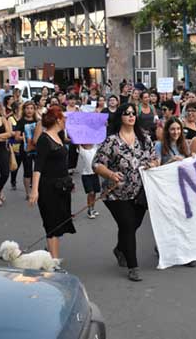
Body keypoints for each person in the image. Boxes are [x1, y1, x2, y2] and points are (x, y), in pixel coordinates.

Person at [93, 104, 159, 281]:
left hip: (140, 192)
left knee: (133, 225)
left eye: (133, 113)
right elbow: (97, 164)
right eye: (127, 113)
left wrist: (153, 164)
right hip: (116, 193)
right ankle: (133, 266)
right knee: (128, 225)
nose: (131, 116)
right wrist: (111, 174)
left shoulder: (144, 138)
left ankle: (120, 248)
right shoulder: (111, 141)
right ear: (120, 117)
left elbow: (155, 158)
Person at [28, 105, 75, 262]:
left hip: (62, 186)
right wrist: (34, 190)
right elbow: (38, 167)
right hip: (48, 187)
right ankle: (54, 262)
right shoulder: (44, 139)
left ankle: (50, 253)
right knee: (52, 224)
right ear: (58, 120)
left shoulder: (59, 136)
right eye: (64, 118)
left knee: (60, 222)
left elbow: (61, 163)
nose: (66, 120)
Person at [15, 101, 39, 200]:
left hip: (37, 149)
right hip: (26, 149)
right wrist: (24, 138)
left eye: (31, 108)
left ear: (34, 110)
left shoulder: (38, 121)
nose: (29, 110)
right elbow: (16, 137)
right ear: (24, 110)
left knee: (38, 170)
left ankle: (36, 189)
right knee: (27, 170)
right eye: (27, 108)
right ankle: (28, 192)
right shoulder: (21, 122)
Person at [78, 143, 101, 219]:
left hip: (95, 174)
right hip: (86, 175)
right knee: (90, 192)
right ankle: (89, 210)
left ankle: (93, 208)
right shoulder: (82, 150)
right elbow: (76, 141)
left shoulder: (95, 147)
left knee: (94, 193)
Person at [7, 102, 22, 191]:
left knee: (26, 163)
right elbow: (10, 132)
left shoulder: (23, 119)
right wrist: (19, 134)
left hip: (23, 144)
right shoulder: (10, 119)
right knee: (15, 164)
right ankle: (13, 180)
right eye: (21, 108)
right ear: (16, 110)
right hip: (14, 144)